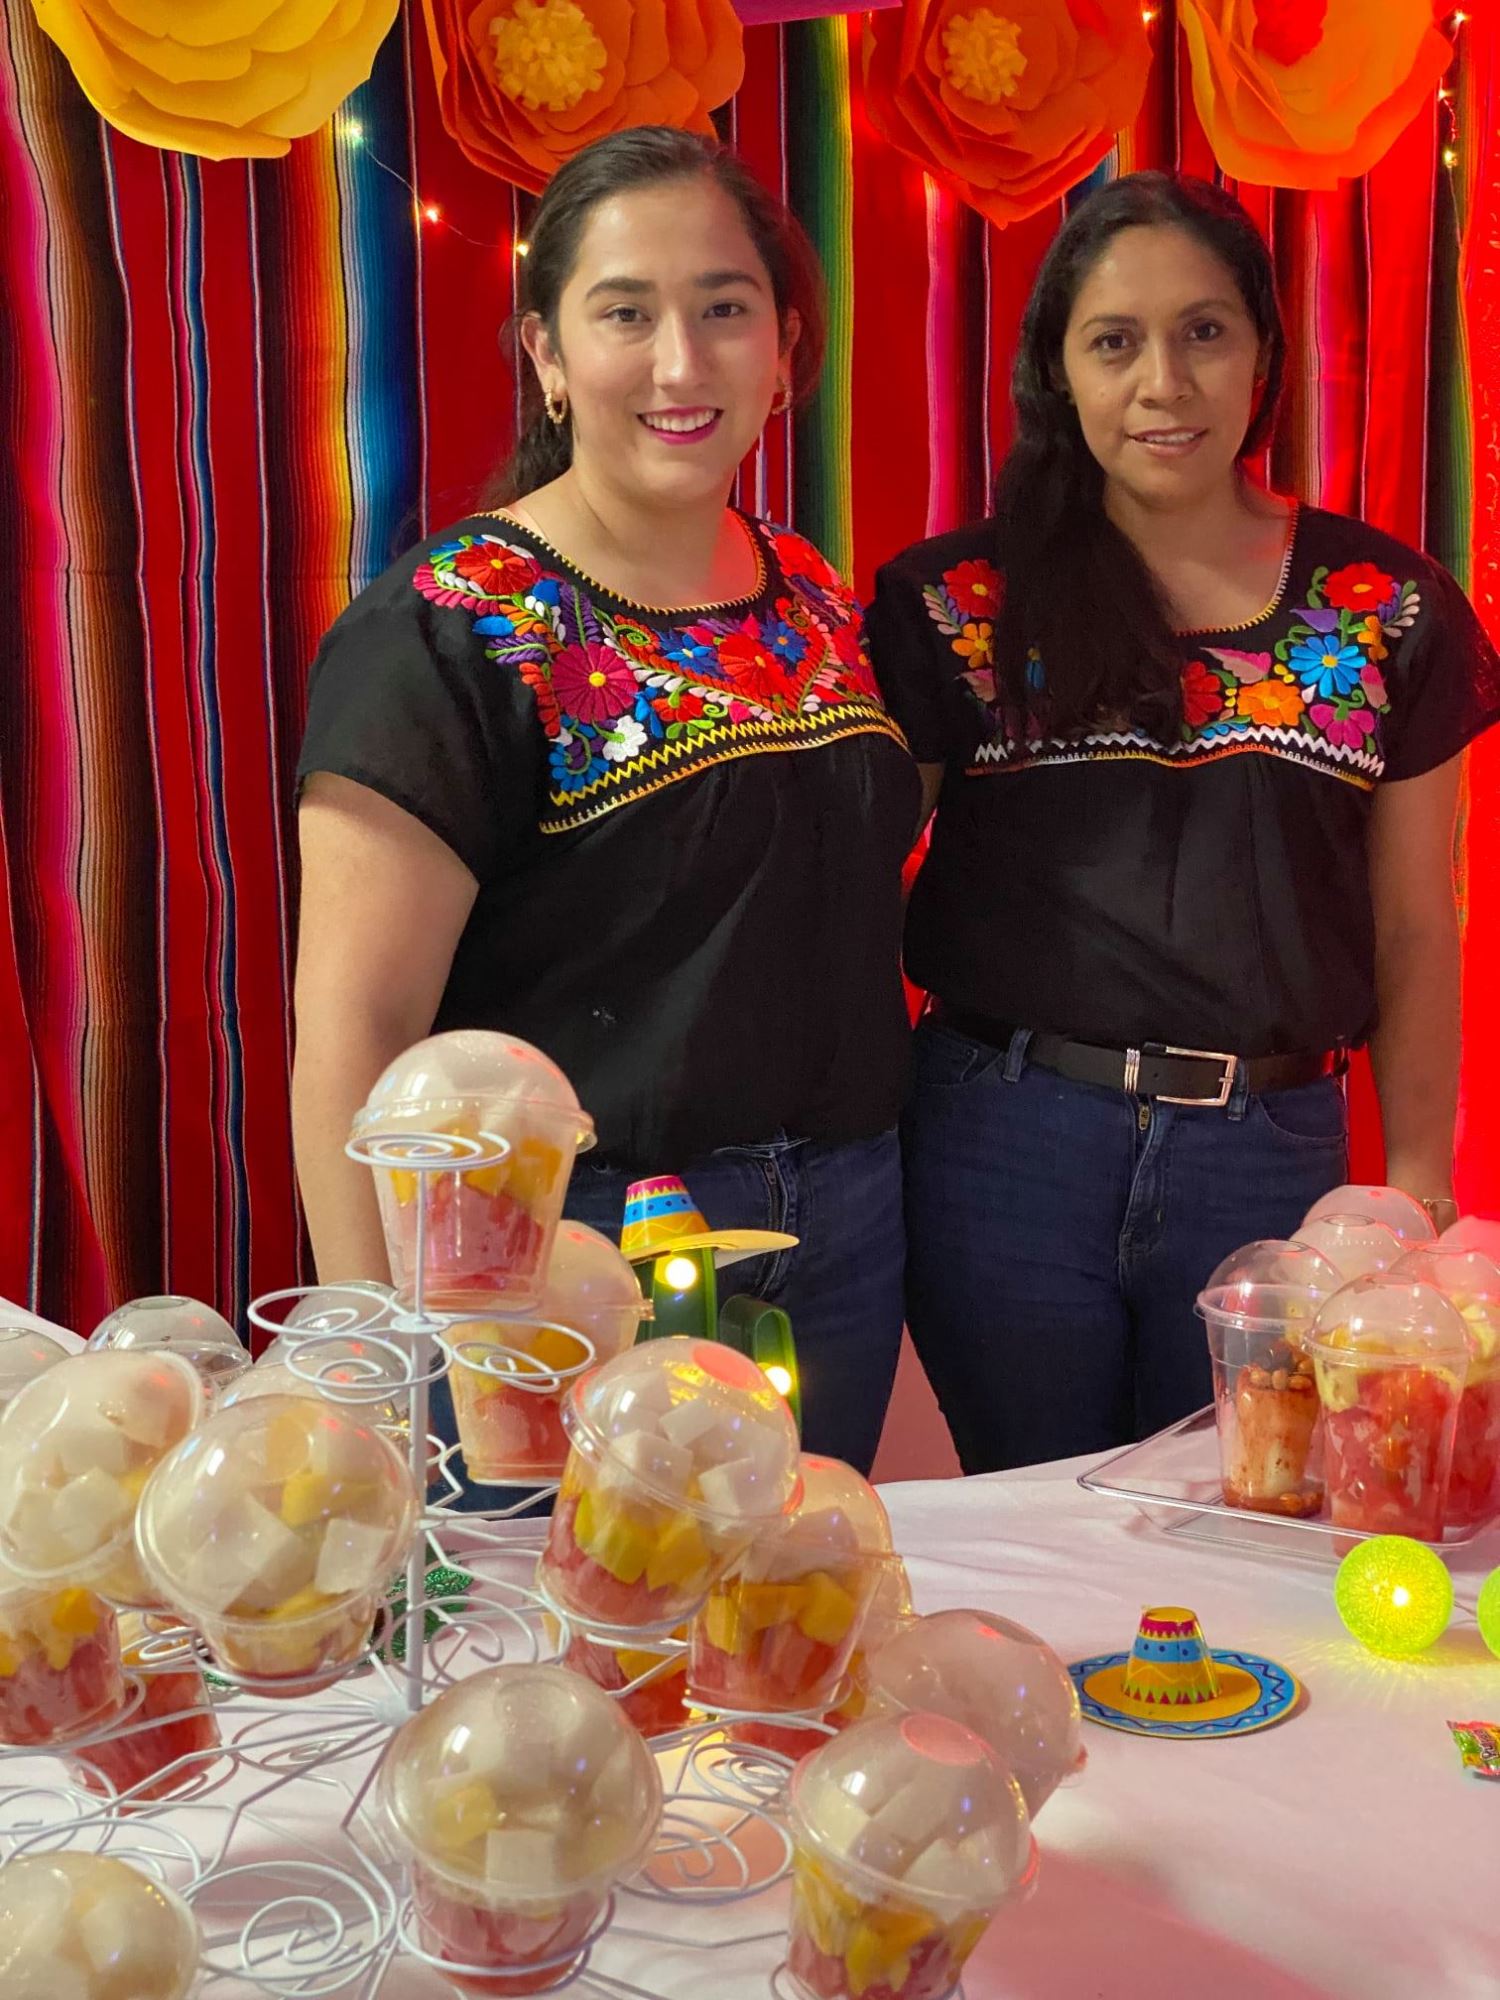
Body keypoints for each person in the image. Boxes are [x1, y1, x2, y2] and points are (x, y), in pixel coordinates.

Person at [293, 127, 918, 1477]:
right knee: (591, 1661)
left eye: (724, 309)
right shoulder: (449, 633)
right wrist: (381, 1375)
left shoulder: (813, 592)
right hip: (567, 1254)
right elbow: (355, 1032)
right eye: (627, 312)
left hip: (845, 1231)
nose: (681, 362)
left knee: (788, 1643)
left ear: (785, 348)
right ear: (548, 357)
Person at [865, 171, 1500, 1477]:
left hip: (1268, 1162)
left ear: (1264, 353)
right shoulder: (960, 603)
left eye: (1204, 331)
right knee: (1039, 1518)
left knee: (1244, 1531)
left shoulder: (1385, 608)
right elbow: (856, 887)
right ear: (1059, 369)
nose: (1165, 381)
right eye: (1116, 341)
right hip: (1005, 1145)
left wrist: (1420, 1182)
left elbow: (1410, 924)